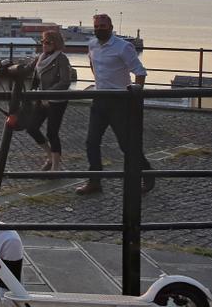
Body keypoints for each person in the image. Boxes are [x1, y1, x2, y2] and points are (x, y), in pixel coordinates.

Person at [76, 13, 154, 195]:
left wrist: (135, 97)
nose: (99, 29)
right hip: (99, 99)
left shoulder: (123, 47)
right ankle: (95, 182)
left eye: (103, 26)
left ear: (111, 27)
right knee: (91, 142)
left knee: (126, 144)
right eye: (96, 26)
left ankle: (147, 173)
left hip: (119, 102)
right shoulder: (92, 44)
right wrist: (99, 82)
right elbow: (92, 63)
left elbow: (140, 72)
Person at [20, 30, 72, 171]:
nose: (44, 45)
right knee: (31, 128)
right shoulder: (40, 58)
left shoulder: (61, 59)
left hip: (56, 101)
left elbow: (65, 81)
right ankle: (50, 155)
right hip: (40, 99)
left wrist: (47, 94)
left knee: (52, 132)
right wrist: (7, 69)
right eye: (42, 41)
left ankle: (55, 166)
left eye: (48, 42)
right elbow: (26, 70)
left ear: (56, 44)